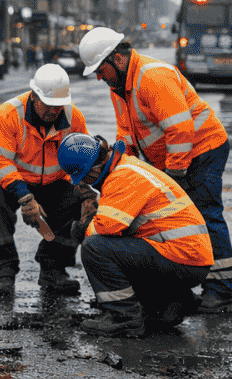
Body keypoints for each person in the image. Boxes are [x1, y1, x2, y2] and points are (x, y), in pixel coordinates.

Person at [78, 26, 232, 313]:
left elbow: (180, 129)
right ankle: (201, 286)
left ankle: (223, 289)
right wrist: (120, 174)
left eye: (100, 70)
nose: (99, 77)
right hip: (177, 157)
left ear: (116, 59)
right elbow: (125, 135)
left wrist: (174, 174)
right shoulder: (121, 88)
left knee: (205, 214)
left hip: (202, 149)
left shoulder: (152, 76)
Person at [56, 132, 213, 337]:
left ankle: (124, 318)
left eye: (85, 177)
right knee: (122, 247)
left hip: (179, 257)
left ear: (93, 169)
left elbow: (104, 230)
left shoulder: (121, 177)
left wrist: (81, 226)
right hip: (188, 258)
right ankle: (172, 304)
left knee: (95, 248)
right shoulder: (128, 166)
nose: (86, 182)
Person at [0, 63, 90, 295]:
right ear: (34, 96)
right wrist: (25, 198)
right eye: (47, 105)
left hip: (52, 182)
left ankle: (54, 270)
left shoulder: (73, 117)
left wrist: (86, 192)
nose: (53, 111)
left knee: (75, 201)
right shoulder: (8, 114)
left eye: (58, 106)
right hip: (9, 180)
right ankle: (3, 272)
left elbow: (79, 161)